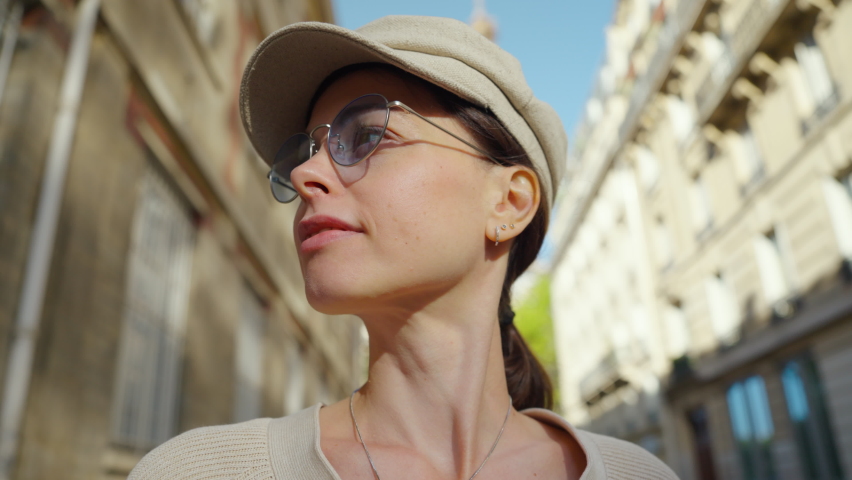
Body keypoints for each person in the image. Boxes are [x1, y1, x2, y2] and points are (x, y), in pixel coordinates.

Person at [129, 15, 679, 480]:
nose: (305, 174)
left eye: (367, 135)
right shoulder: (200, 471)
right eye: (302, 152)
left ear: (509, 203)